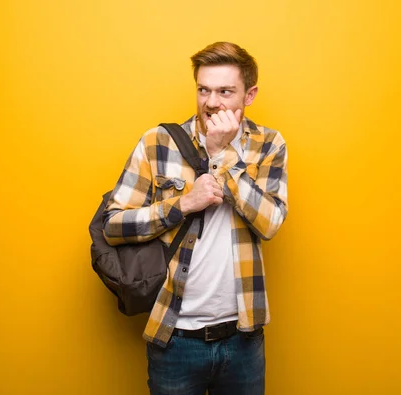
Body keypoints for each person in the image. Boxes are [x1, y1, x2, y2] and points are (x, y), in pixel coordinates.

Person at [103, 42, 288, 395]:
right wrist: (183, 204)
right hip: (174, 337)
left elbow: (271, 223)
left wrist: (222, 156)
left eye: (225, 91)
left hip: (243, 338)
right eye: (203, 89)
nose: (211, 102)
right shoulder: (158, 142)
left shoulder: (269, 145)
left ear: (249, 95)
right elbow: (113, 225)